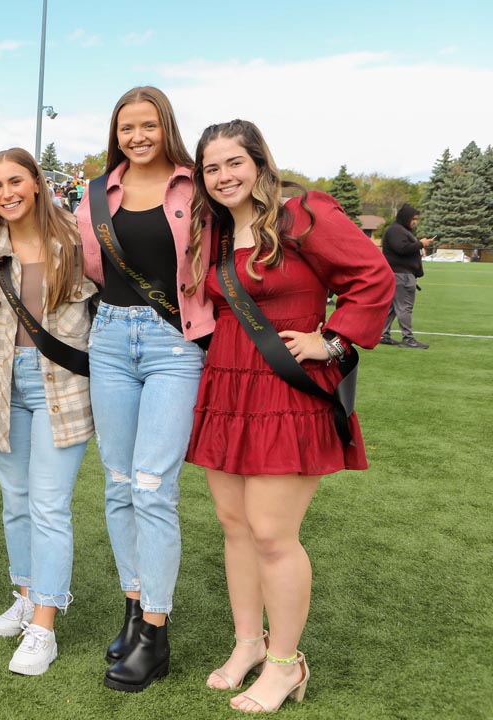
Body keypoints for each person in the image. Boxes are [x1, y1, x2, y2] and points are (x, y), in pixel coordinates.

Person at [185, 119, 393, 713]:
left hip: (286, 389)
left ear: (258, 163)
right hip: (227, 386)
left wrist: (332, 341)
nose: (223, 176)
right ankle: (249, 644)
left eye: (233, 163)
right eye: (211, 167)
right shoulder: (215, 230)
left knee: (273, 534)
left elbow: (372, 278)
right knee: (234, 526)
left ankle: (285, 662)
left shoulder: (302, 213)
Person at [73, 86, 212, 693]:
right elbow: (92, 270)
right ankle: (134, 612)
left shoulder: (194, 188)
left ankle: (155, 633)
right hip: (109, 338)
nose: (137, 136)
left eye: (148, 125)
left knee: (154, 487)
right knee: (119, 485)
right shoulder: (96, 194)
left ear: (166, 127)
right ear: (115, 132)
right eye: (126, 127)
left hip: (173, 344)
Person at [0, 147, 96, 676]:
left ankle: (44, 625)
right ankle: (25, 595)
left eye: (16, 180)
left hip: (61, 387)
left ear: (37, 183)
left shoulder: (75, 240)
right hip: (2, 386)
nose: (7, 193)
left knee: (49, 506)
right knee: (16, 502)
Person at [380, 204, 433, 348]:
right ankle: (408, 338)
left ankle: (383, 334)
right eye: (413, 218)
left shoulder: (399, 230)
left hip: (397, 275)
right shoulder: (396, 230)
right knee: (404, 307)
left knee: (392, 307)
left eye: (416, 219)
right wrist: (420, 244)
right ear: (405, 218)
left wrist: (418, 244)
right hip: (401, 275)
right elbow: (402, 249)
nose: (415, 221)